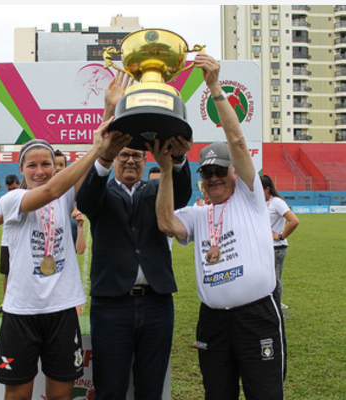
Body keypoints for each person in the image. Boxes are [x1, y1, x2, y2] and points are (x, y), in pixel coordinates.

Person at [154, 54, 286, 400]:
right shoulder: (198, 215)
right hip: (212, 321)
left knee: (265, 394)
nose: (213, 178)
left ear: (234, 173)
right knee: (217, 394)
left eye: (220, 171)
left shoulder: (250, 197)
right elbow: (166, 222)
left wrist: (214, 86)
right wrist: (166, 170)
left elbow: (238, 142)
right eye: (207, 173)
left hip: (256, 315)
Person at [76, 71, 193, 399]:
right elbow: (85, 200)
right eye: (124, 155)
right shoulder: (100, 191)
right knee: (110, 388)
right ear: (115, 159)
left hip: (157, 303)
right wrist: (105, 152)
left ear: (145, 160)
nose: (130, 160)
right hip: (112, 304)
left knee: (151, 388)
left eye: (136, 156)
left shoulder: (156, 190)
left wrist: (178, 159)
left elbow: (182, 196)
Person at [0, 119, 117, 400]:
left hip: (62, 310)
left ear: (56, 166)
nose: (40, 171)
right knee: (17, 395)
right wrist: (95, 148)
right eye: (32, 165)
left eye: (46, 164)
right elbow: (50, 191)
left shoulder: (66, 196)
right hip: (21, 311)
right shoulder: (12, 199)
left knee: (62, 395)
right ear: (21, 169)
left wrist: (109, 113)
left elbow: (85, 174)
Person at [261, 175, 299, 304]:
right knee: (264, 278)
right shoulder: (261, 203)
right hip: (264, 247)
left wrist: (281, 236)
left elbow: (294, 221)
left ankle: (276, 305)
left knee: (275, 280)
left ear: (267, 189)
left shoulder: (277, 202)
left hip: (277, 248)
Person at [0, 174, 22, 314]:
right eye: (10, 189)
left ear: (19, 184)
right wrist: (9, 212)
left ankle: (24, 301)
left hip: (23, 241)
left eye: (14, 188)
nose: (12, 192)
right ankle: (6, 303)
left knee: (26, 271)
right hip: (7, 242)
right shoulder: (4, 199)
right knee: (7, 273)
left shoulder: (26, 196)